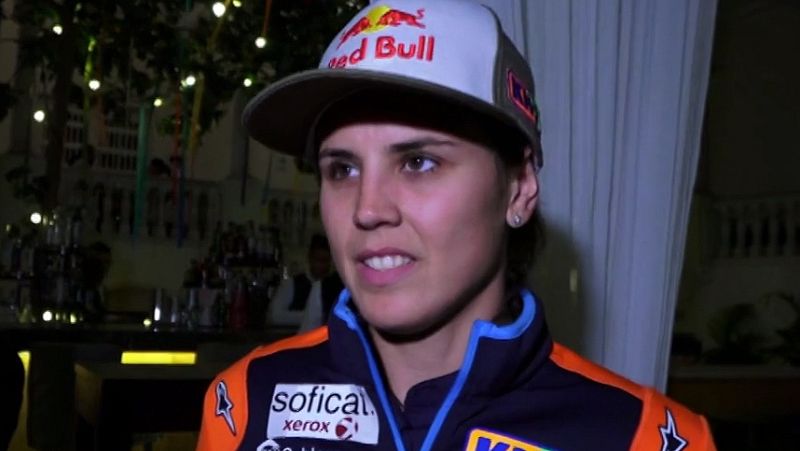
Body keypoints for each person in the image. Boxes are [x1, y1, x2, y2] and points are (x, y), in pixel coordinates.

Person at [198, 1, 717, 450]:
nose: (368, 209)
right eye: (343, 169)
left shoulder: (644, 435)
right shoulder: (245, 401)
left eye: (418, 162)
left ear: (519, 188)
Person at [267, 233, 343, 332]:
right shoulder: (291, 284)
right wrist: (312, 315)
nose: (321, 266)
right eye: (318, 260)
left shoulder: (334, 287)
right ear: (310, 258)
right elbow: (275, 316)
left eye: (325, 261)